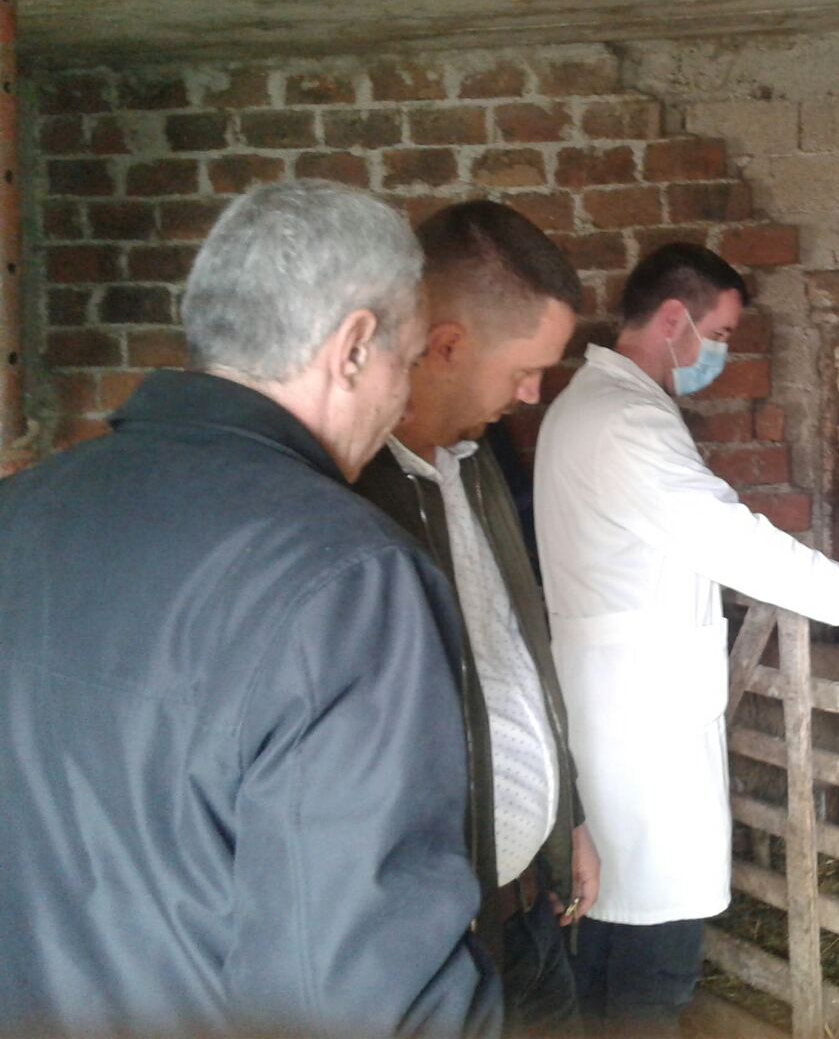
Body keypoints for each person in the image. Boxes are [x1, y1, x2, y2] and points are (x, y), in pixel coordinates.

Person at [0, 181, 497, 1037]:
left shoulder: (18, 511)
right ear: (352, 348)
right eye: (408, 361)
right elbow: (355, 998)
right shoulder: (349, 580)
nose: (407, 401)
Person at [533, 242, 839, 1034]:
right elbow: (726, 536)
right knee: (647, 969)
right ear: (674, 319)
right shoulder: (624, 420)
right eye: (721, 335)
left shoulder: (595, 408)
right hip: (641, 735)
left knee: (610, 947)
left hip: (625, 717)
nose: (722, 354)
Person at [354, 200, 596, 1034]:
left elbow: (518, 655)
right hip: (442, 940)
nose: (533, 395)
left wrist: (566, 823)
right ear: (449, 345)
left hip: (527, 905)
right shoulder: (352, 496)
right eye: (525, 370)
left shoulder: (477, 459)